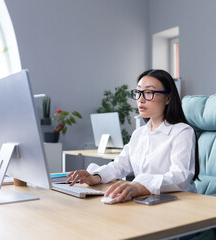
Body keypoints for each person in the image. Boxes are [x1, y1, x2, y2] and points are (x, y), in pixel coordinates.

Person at [66, 69, 200, 202]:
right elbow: (119, 165)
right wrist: (96, 176)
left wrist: (139, 187)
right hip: (147, 201)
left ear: (168, 98)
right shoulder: (139, 133)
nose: (140, 99)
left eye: (148, 92)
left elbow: (180, 177)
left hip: (178, 203)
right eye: (138, 92)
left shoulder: (182, 131)